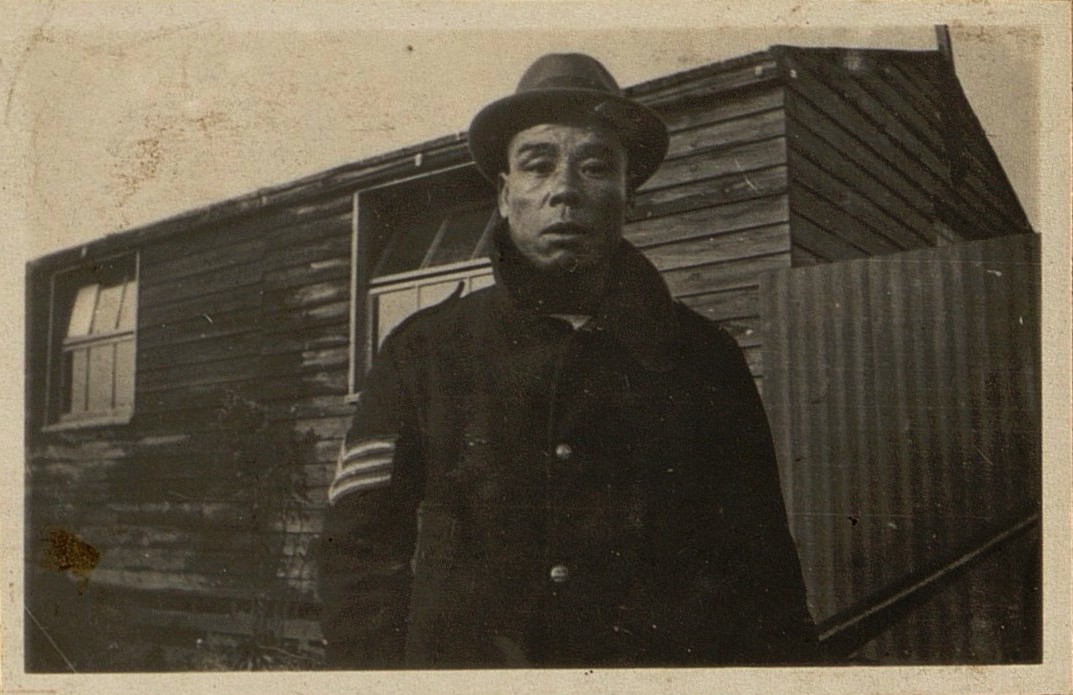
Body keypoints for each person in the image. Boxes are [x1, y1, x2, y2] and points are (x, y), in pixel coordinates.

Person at [318, 53, 816, 668]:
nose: (565, 189)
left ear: (628, 194)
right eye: (538, 164)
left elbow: (761, 564)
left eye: (596, 166)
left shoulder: (704, 360)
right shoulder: (422, 351)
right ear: (505, 196)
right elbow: (359, 552)